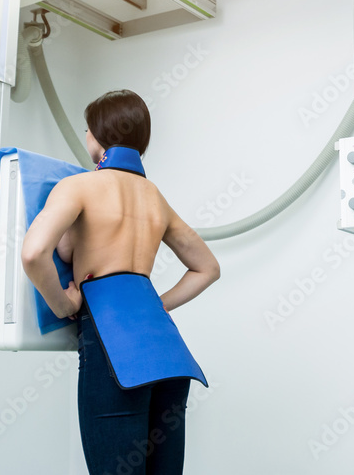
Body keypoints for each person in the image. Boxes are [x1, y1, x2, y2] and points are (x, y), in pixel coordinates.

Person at [21, 89, 220, 475]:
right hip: (170, 356)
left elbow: (32, 253)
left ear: (95, 137)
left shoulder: (78, 186)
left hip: (115, 349)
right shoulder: (155, 198)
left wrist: (64, 304)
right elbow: (207, 268)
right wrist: (156, 305)